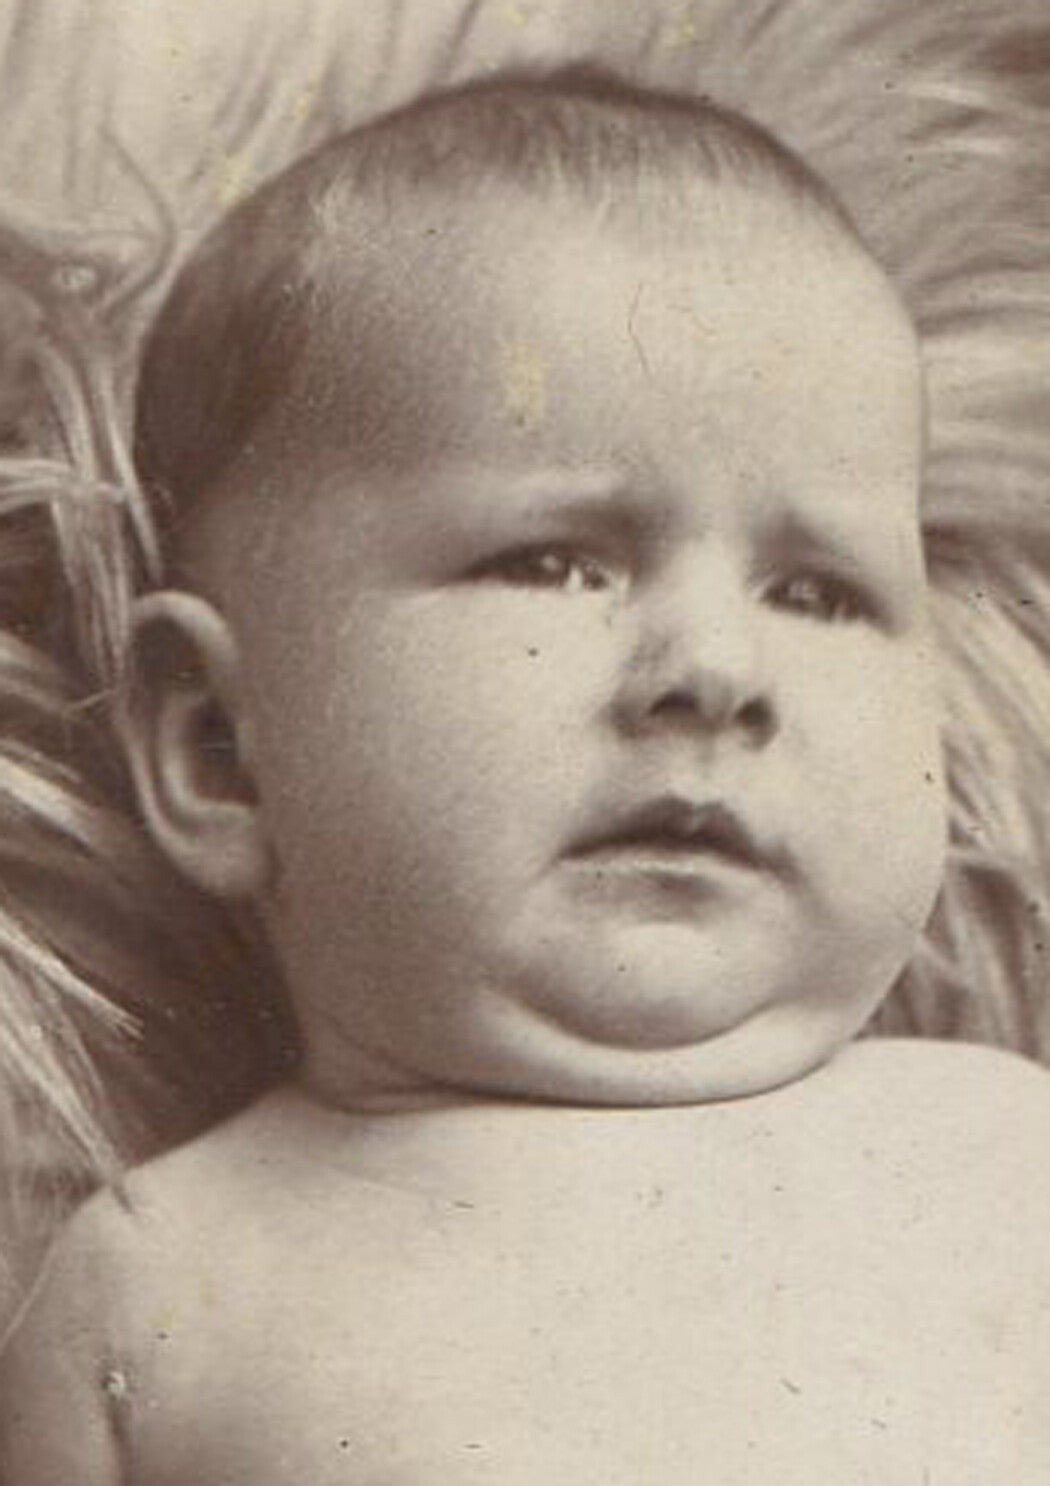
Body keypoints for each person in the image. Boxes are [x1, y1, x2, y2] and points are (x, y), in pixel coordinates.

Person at [1, 71, 1049, 1482]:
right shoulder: (161, 1274)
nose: (717, 667)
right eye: (553, 561)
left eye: (819, 591)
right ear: (217, 750)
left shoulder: (997, 1149)